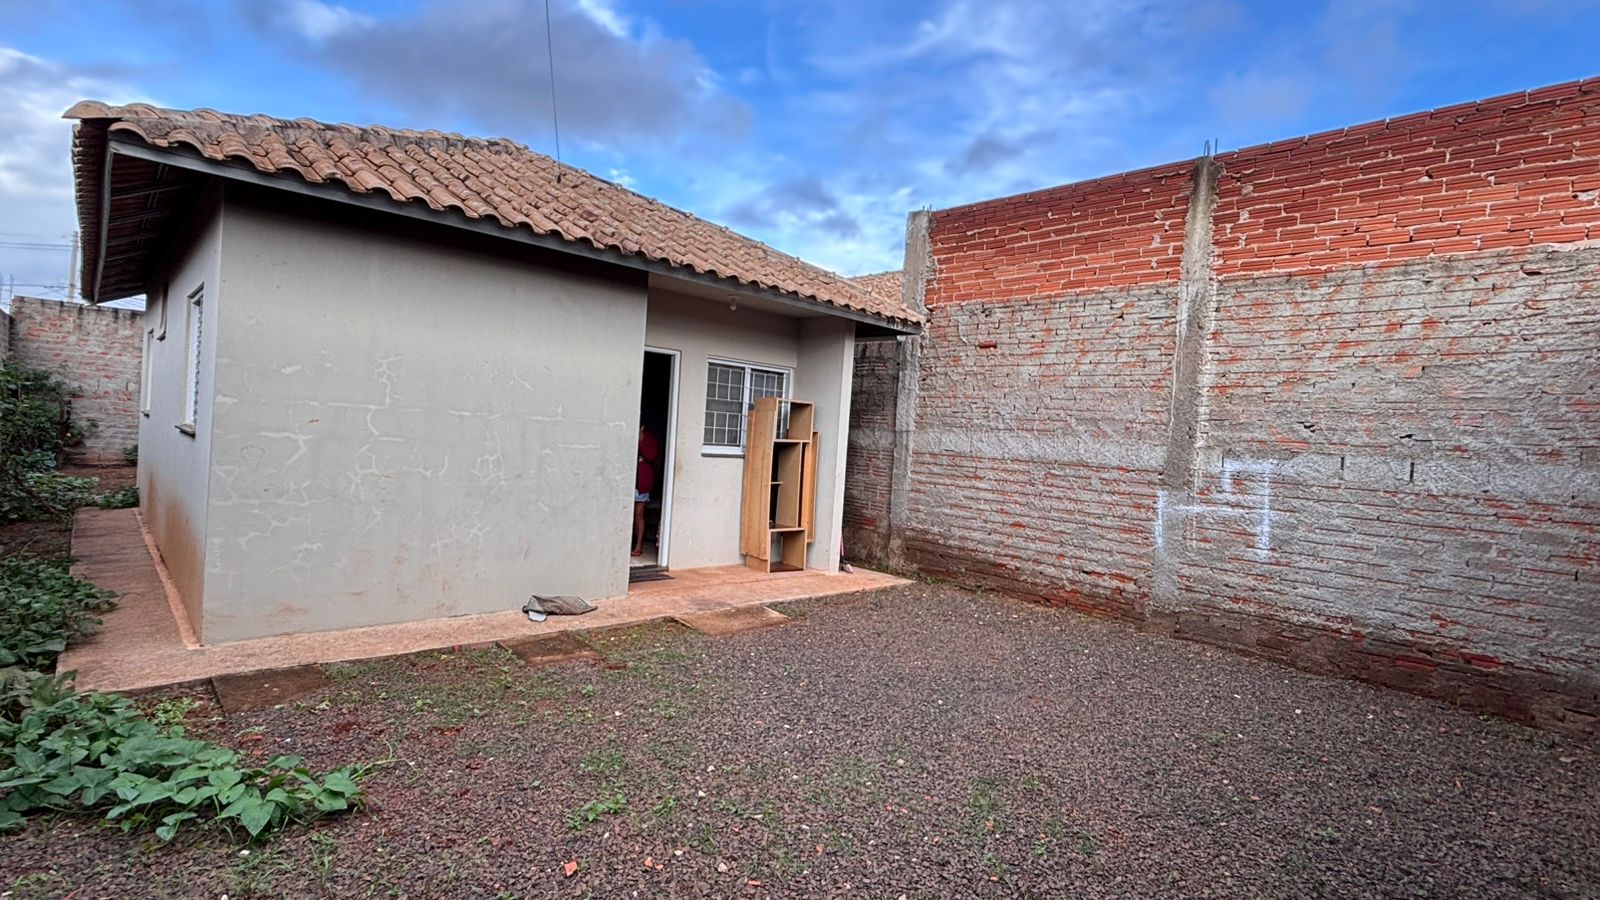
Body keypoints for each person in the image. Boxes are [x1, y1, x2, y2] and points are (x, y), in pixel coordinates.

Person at [633, 425, 659, 558]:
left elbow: (651, 456)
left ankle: (638, 546)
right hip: (630, 480)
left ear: (642, 427)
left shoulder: (649, 440)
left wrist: (640, 441)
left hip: (642, 482)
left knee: (638, 515)